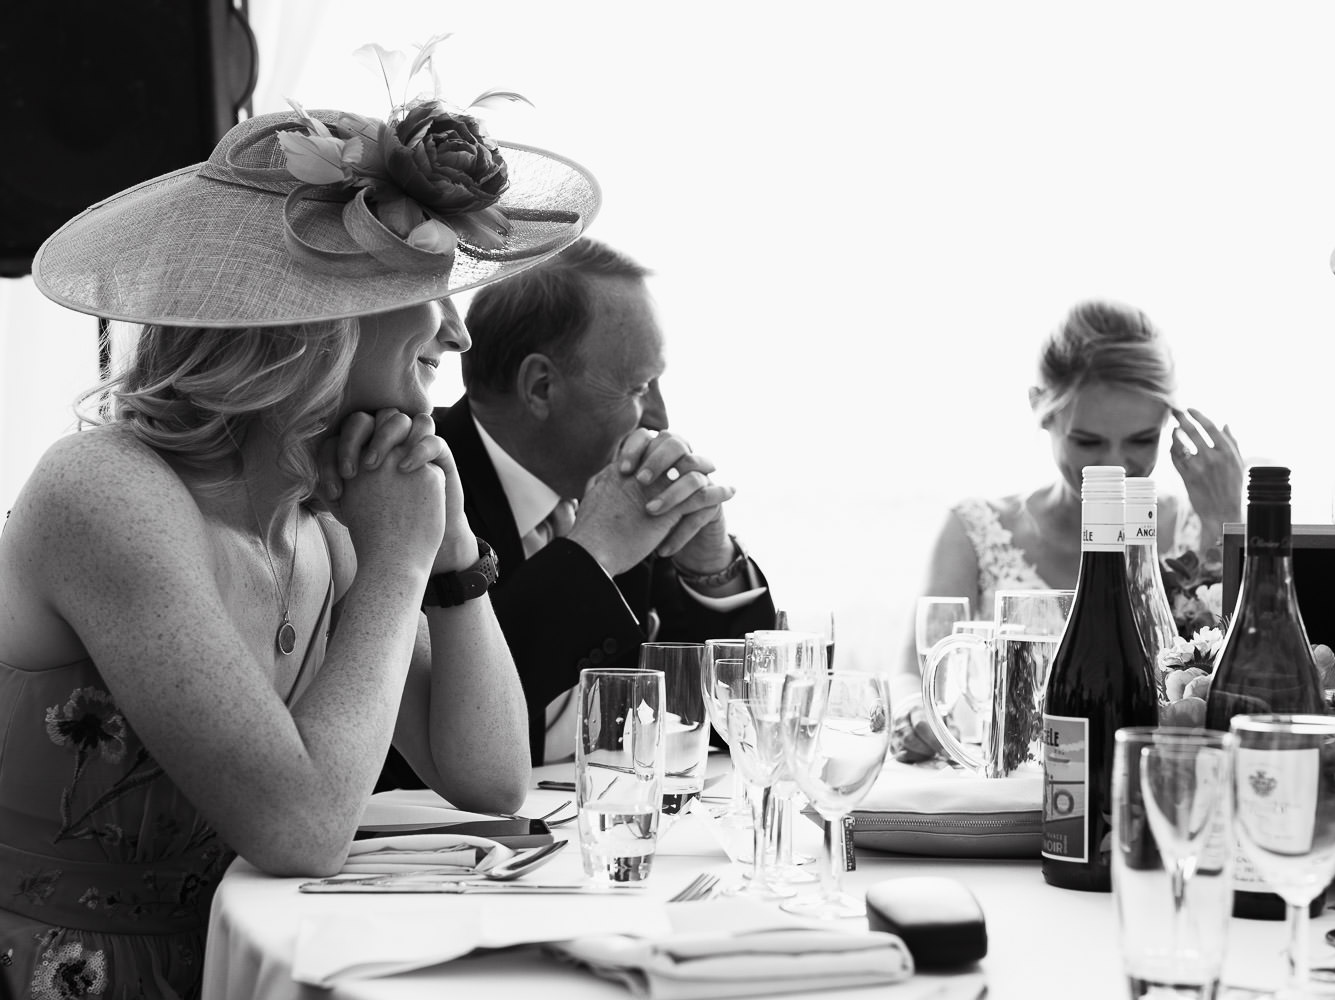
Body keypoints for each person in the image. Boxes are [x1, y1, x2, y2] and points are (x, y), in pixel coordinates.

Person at [0, 93, 600, 998]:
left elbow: (492, 779)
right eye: (429, 291)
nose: (459, 330)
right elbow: (302, 831)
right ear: (313, 314)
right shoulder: (108, 491)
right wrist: (396, 568)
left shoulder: (328, 522)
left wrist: (449, 546)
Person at [379, 237, 776, 774]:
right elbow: (424, 737)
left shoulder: (625, 491)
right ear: (541, 386)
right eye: (638, 386)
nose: (660, 416)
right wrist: (591, 554)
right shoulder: (412, 483)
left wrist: (711, 566)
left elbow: (746, 732)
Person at [893, 299, 1243, 758]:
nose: (1116, 465)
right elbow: (913, 673)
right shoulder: (976, 529)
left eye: (1141, 440)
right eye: (1088, 440)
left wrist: (1225, 519)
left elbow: (1242, 680)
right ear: (1043, 409)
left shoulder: (1196, 527)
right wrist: (912, 713)